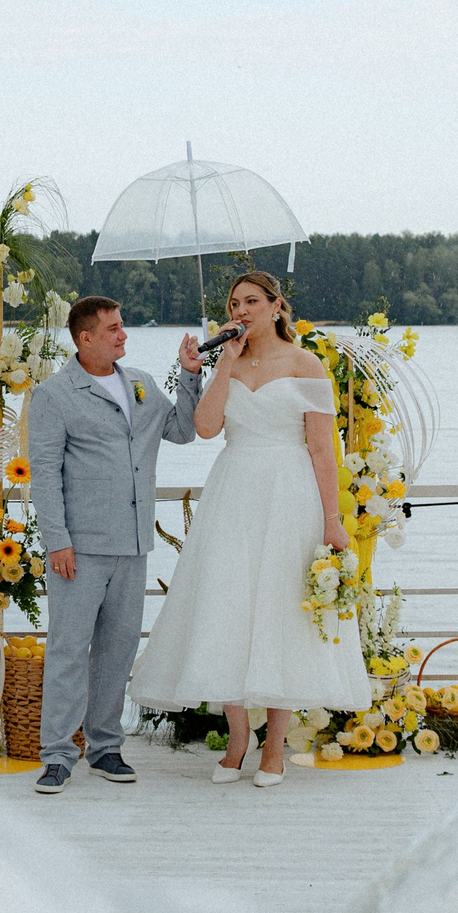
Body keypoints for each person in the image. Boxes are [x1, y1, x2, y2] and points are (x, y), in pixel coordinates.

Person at [130, 272, 370, 788]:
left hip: (289, 495)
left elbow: (324, 450)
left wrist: (332, 520)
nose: (242, 310)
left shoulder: (306, 364)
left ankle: (275, 749)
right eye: (235, 303)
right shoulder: (228, 361)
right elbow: (208, 427)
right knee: (229, 607)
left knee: (283, 610)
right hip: (234, 493)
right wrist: (221, 366)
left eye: (252, 302)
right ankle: (237, 741)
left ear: (276, 305)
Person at [25, 295, 204, 796]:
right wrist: (56, 541)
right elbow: (44, 476)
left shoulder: (143, 383)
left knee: (118, 650)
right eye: (113, 328)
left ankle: (105, 747)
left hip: (134, 543)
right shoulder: (54, 394)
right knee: (66, 650)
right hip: (78, 549)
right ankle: (58, 754)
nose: (123, 335)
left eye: (122, 326)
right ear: (85, 339)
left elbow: (184, 431)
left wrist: (190, 374)